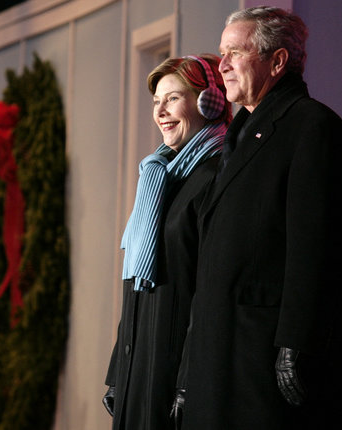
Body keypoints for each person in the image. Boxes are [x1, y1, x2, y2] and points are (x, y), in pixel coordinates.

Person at [172, 6, 342, 430]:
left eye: (235, 53)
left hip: (264, 361)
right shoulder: (237, 134)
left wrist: (297, 344)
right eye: (222, 53)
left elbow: (319, 251)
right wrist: (189, 366)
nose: (221, 66)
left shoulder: (313, 128)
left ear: (277, 62)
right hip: (217, 357)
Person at [103, 54, 231, 430]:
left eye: (173, 99)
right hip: (138, 364)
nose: (161, 111)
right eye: (157, 102)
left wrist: (188, 380)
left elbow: (209, 293)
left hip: (174, 371)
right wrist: (117, 371)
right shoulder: (159, 177)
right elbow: (136, 288)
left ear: (211, 102)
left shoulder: (217, 177)